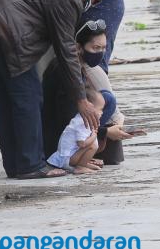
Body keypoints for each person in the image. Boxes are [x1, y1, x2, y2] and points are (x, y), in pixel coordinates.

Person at [0, 0, 110, 179]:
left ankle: (16, 165)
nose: (92, 5)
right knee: (28, 95)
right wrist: (81, 99)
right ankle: (30, 165)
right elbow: (66, 49)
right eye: (96, 0)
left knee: (3, 97)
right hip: (0, 27)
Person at [42, 20, 131, 165]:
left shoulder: (79, 66)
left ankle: (89, 149)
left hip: (71, 125)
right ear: (78, 47)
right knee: (110, 142)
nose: (100, 53)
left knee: (107, 99)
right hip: (58, 139)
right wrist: (105, 133)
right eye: (95, 48)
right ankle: (78, 156)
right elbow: (67, 119)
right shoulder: (67, 72)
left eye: (103, 48)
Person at [47, 88, 105, 175]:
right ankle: (80, 167)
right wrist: (93, 135)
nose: (102, 112)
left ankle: (83, 163)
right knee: (93, 145)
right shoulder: (82, 122)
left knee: (93, 143)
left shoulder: (83, 119)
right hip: (67, 158)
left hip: (71, 155)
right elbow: (82, 144)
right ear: (89, 107)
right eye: (100, 109)